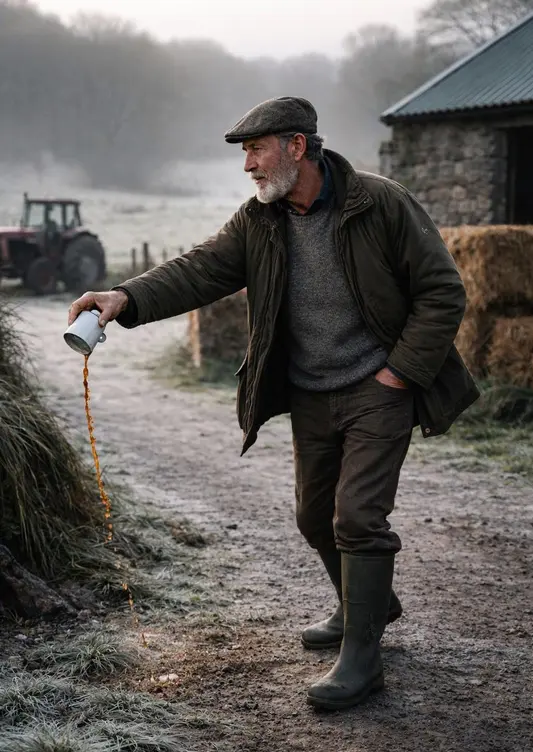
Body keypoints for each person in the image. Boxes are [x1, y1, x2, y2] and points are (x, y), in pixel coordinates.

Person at [68, 97, 479, 711]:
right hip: (311, 391)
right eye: (244, 154)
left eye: (255, 150)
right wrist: (126, 296)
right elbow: (201, 269)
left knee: (357, 517)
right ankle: (363, 608)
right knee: (314, 518)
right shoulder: (260, 219)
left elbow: (443, 292)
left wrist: (399, 374)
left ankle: (363, 664)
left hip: (379, 387)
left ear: (295, 146)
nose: (247, 166)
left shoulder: (380, 202)